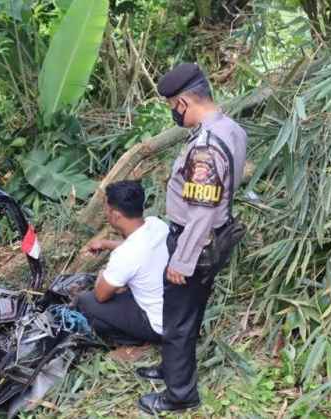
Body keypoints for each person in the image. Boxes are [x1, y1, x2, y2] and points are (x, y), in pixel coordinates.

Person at [136, 63, 248, 414]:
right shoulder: (229, 127)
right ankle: (173, 367)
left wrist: (181, 260)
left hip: (194, 240)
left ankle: (180, 394)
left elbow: (201, 211)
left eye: (172, 105)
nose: (173, 112)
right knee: (187, 311)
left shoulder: (205, 146)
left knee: (179, 321)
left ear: (184, 101)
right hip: (214, 236)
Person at [76, 181, 168, 347]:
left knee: (85, 301)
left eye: (106, 208)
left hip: (159, 325)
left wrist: (102, 273)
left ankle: (132, 340)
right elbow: (139, 249)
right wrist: (105, 243)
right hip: (177, 310)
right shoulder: (157, 225)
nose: (105, 213)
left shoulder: (125, 255)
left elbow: (101, 295)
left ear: (116, 215)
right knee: (121, 287)